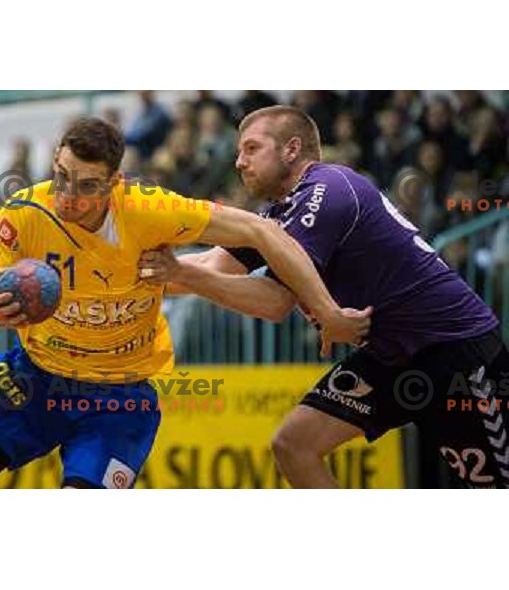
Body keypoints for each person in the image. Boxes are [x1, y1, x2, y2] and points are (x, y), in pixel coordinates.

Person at [0, 117, 369, 490]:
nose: (67, 195)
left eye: (86, 185)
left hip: (117, 400)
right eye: (60, 174)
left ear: (114, 184)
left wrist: (327, 311)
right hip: (35, 378)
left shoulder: (149, 211)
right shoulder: (23, 213)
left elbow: (262, 231)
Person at [138, 105, 509, 489]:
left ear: (291, 149)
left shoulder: (326, 189)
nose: (238, 162)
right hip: (391, 356)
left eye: (251, 149)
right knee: (294, 446)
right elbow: (211, 266)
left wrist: (180, 272)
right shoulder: (277, 216)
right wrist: (131, 271)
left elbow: (274, 302)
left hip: (454, 351)